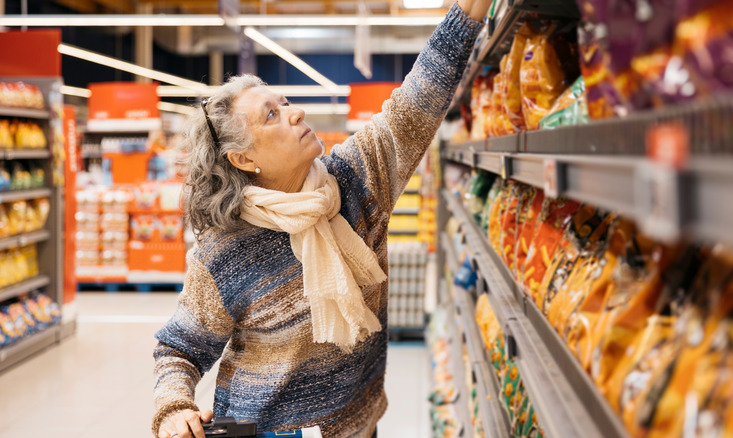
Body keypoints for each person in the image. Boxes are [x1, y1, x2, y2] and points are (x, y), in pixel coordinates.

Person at [152, 1, 490, 437]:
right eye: (271, 115)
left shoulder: (353, 183)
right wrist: (174, 409)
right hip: (260, 429)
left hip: (354, 424)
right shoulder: (224, 252)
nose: (296, 113)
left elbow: (414, 105)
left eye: (285, 102)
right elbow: (179, 348)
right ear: (244, 158)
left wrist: (466, 14)